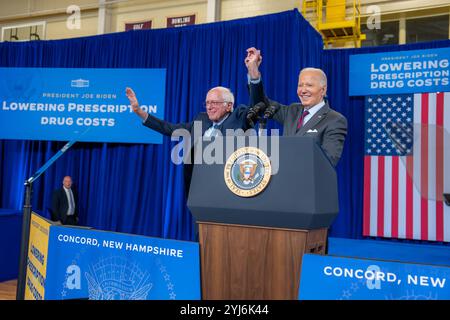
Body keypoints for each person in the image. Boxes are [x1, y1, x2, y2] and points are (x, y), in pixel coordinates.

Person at [125, 86, 253, 196]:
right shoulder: (201, 120)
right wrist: (139, 111)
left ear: (229, 106)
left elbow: (257, 105)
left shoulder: (238, 117)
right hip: (199, 188)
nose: (209, 107)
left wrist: (253, 74)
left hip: (228, 185)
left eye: (214, 102)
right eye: (207, 103)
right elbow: (170, 129)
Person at [245, 47, 348, 167]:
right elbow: (260, 104)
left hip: (308, 183)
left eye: (309, 85)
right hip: (284, 180)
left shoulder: (335, 120)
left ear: (323, 90)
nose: (303, 90)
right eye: (300, 85)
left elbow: (328, 161)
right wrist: (253, 72)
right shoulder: (293, 110)